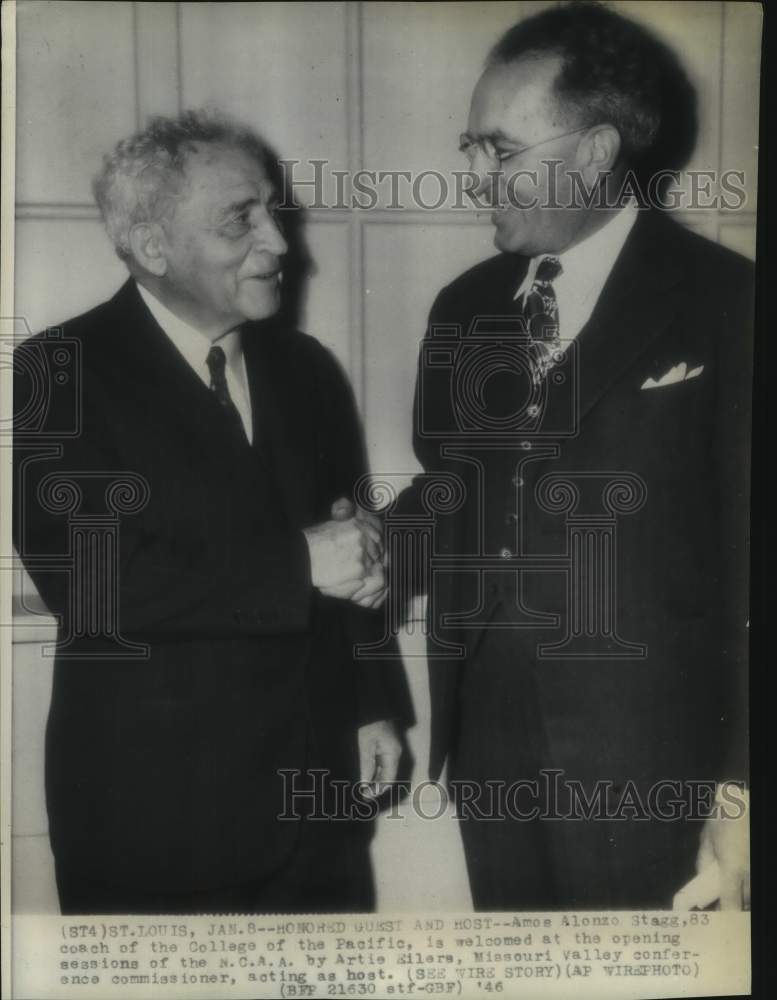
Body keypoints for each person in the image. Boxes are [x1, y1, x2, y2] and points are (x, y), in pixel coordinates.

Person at [12, 111, 411, 914]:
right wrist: (303, 564)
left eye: (273, 211)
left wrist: (372, 705)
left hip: (315, 813)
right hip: (157, 825)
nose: (280, 244)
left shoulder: (306, 369)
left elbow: (348, 542)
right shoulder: (61, 369)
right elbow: (91, 582)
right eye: (242, 219)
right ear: (154, 248)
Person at [400, 2, 752, 909]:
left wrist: (742, 791)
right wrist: (361, 541)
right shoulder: (464, 308)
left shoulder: (729, 303)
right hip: (490, 749)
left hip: (658, 764)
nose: (474, 176)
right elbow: (457, 495)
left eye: (501, 151)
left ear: (596, 153)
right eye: (470, 147)